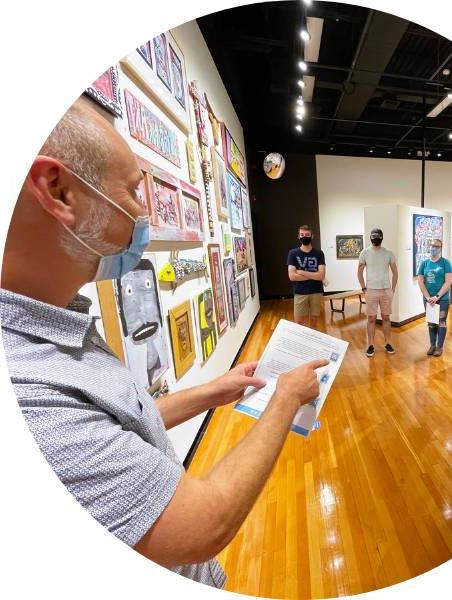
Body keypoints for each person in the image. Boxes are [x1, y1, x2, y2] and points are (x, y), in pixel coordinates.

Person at [0, 97, 328, 586]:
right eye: (133, 191)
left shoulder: (59, 324)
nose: (143, 212)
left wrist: (215, 390)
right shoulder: (29, 388)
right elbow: (202, 525)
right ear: (59, 190)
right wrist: (285, 400)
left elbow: (127, 419)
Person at [357, 228, 398, 357]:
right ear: (370, 237)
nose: (375, 237)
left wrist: (393, 289)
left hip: (386, 290)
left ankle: (387, 343)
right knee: (371, 318)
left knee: (386, 317)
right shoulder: (365, 253)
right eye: (373, 235)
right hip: (371, 290)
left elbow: (395, 272)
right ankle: (370, 345)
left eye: (378, 235)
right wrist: (364, 288)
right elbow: (359, 272)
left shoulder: (388, 253)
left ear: (382, 237)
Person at [417, 238, 452, 357]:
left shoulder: (445, 263)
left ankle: (439, 346)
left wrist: (437, 296)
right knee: (432, 322)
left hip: (442, 299)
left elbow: (448, 282)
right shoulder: (424, 263)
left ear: (440, 248)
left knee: (441, 321)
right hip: (428, 299)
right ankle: (432, 345)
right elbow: (421, 282)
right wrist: (428, 297)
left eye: (436, 246)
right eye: (432, 246)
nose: (433, 248)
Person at [287, 225, 326, 329]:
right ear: (298, 236)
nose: (305, 237)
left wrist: (301, 272)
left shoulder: (319, 253)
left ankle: (312, 344)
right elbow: (292, 276)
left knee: (314, 321)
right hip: (300, 292)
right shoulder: (293, 253)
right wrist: (314, 275)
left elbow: (321, 275)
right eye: (302, 235)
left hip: (316, 291)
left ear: (312, 236)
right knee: (299, 323)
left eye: (307, 235)